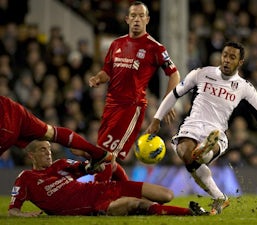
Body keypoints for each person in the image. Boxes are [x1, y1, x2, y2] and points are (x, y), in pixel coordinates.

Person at [146, 41, 257, 215]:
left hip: (217, 131)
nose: (227, 60)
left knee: (194, 158)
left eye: (232, 57)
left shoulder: (245, 88)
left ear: (240, 62)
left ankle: (205, 151)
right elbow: (175, 93)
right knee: (186, 154)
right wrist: (157, 118)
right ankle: (218, 195)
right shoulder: (201, 73)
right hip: (192, 126)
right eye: (225, 55)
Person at [88, 1, 180, 168]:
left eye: (141, 16)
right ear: (127, 19)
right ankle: (109, 188)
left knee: (109, 154)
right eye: (133, 16)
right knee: (101, 151)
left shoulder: (155, 48)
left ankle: (105, 190)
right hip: (110, 105)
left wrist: (168, 101)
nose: (137, 19)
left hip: (131, 106)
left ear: (147, 19)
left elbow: (174, 74)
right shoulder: (116, 44)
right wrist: (97, 78)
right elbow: (107, 71)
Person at [8, 140, 207, 217]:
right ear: (31, 155)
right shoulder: (26, 178)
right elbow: (13, 211)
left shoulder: (60, 165)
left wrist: (90, 157)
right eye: (43, 150)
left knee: (167, 194)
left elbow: (88, 168)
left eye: (49, 149)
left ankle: (131, 198)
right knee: (139, 204)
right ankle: (192, 212)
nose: (48, 153)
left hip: (104, 189)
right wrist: (26, 215)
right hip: (95, 205)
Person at [0, 95, 110, 162]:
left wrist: (91, 151)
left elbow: (54, 134)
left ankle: (98, 154)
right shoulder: (13, 110)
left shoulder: (13, 112)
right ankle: (98, 154)